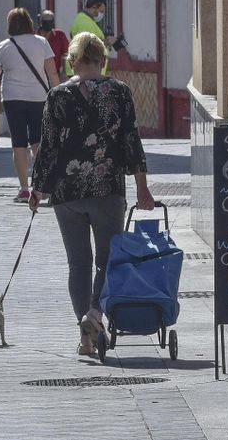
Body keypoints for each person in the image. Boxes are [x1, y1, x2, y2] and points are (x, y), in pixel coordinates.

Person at [31, 32, 154, 357]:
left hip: (66, 192)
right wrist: (142, 186)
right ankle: (96, 313)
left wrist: (36, 189)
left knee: (78, 262)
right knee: (107, 259)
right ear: (102, 60)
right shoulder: (119, 92)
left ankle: (85, 336)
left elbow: (48, 148)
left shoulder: (57, 95)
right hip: (107, 189)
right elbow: (131, 141)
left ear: (72, 61)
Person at [0, 7, 58, 204]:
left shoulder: (4, 46)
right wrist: (57, 95)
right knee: (37, 142)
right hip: (39, 97)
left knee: (18, 143)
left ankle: (23, 189)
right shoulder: (42, 43)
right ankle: (40, 187)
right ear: (30, 22)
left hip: (13, 99)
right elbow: (52, 73)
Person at [71, 0, 111, 76]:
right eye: (101, 11)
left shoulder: (88, 21)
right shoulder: (85, 22)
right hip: (86, 71)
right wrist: (107, 41)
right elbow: (90, 47)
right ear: (93, 7)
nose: (102, 15)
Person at [38, 10, 71, 79]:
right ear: (41, 22)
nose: (48, 24)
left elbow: (66, 54)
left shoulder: (60, 35)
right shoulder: (34, 36)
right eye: (45, 21)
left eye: (50, 21)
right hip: (37, 75)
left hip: (55, 74)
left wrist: (64, 73)